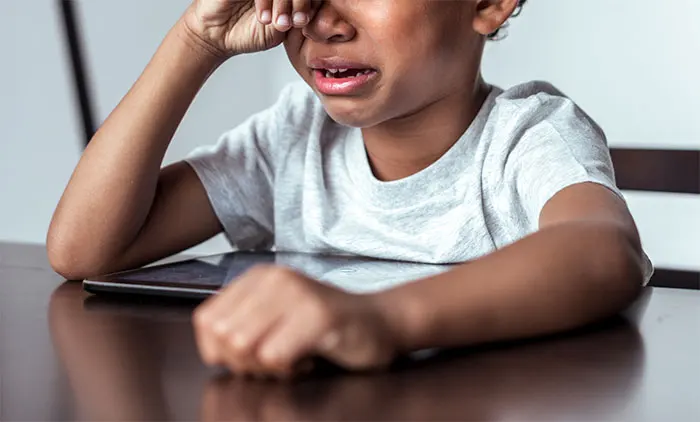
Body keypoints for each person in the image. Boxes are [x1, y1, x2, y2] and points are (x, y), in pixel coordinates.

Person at [47, 0, 652, 378]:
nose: (327, 23)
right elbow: (84, 251)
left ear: (490, 3)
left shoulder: (528, 136)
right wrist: (195, 42)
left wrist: (379, 320)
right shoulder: (293, 138)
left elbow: (603, 251)